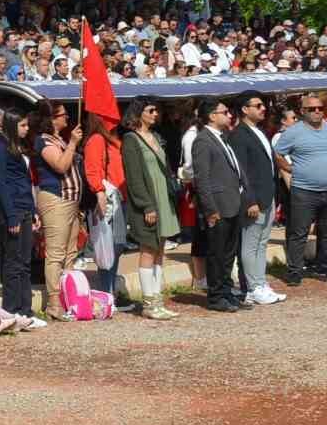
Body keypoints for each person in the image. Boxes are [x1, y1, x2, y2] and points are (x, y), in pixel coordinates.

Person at [274, 93, 327, 285]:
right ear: (302, 112)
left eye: (320, 108)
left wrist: (326, 164)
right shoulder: (293, 132)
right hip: (304, 191)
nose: (317, 112)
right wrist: (290, 168)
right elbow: (278, 153)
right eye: (311, 109)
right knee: (299, 233)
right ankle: (294, 271)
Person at [191, 99, 255, 313]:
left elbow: (236, 171)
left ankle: (226, 292)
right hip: (218, 207)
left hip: (233, 204)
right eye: (225, 112)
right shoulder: (202, 141)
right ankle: (216, 296)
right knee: (217, 253)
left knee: (228, 254)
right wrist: (210, 210)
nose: (229, 115)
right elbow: (202, 179)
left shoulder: (222, 138)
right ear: (212, 116)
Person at [118, 100, 179, 320]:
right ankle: (149, 303)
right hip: (148, 202)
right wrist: (146, 205)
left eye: (156, 110)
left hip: (163, 198)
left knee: (160, 249)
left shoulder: (156, 137)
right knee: (148, 250)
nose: (155, 114)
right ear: (138, 113)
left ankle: (157, 297)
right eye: (150, 110)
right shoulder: (131, 139)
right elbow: (134, 177)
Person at [227, 92, 285, 307]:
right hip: (254, 200)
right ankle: (252, 287)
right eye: (258, 105)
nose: (263, 109)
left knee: (261, 243)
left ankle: (260, 283)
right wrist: (249, 200)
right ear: (244, 109)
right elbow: (241, 172)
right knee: (250, 245)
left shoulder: (259, 131)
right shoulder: (239, 135)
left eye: (263, 105)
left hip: (267, 196)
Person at [0, 112, 45, 327]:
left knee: (24, 261)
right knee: (13, 262)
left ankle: (25, 309)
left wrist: (33, 211)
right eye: (22, 125)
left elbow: (24, 182)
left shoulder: (17, 148)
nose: (26, 129)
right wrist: (11, 215)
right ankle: (12, 310)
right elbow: (2, 184)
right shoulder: (1, 149)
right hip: (12, 211)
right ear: (13, 126)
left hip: (24, 208)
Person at [29, 103, 83, 321]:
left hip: (70, 200)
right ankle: (53, 303)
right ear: (52, 119)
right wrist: (73, 143)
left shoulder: (59, 139)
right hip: (56, 200)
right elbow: (60, 166)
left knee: (70, 252)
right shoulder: (43, 140)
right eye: (63, 115)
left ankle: (68, 297)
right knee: (56, 253)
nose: (67, 118)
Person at [82, 112, 127, 301]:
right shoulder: (97, 139)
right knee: (108, 248)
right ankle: (106, 293)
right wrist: (99, 191)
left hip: (118, 197)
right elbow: (93, 168)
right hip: (108, 200)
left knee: (115, 246)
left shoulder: (109, 139)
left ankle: (108, 293)